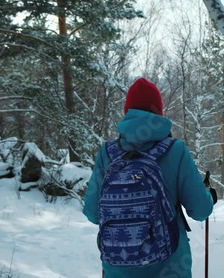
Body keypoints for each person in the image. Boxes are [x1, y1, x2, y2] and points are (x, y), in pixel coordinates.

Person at [83, 77, 214, 278]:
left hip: (118, 268)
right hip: (171, 266)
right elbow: (200, 211)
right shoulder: (176, 150)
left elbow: (93, 213)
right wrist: (208, 195)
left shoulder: (107, 153)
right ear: (159, 113)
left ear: (127, 112)